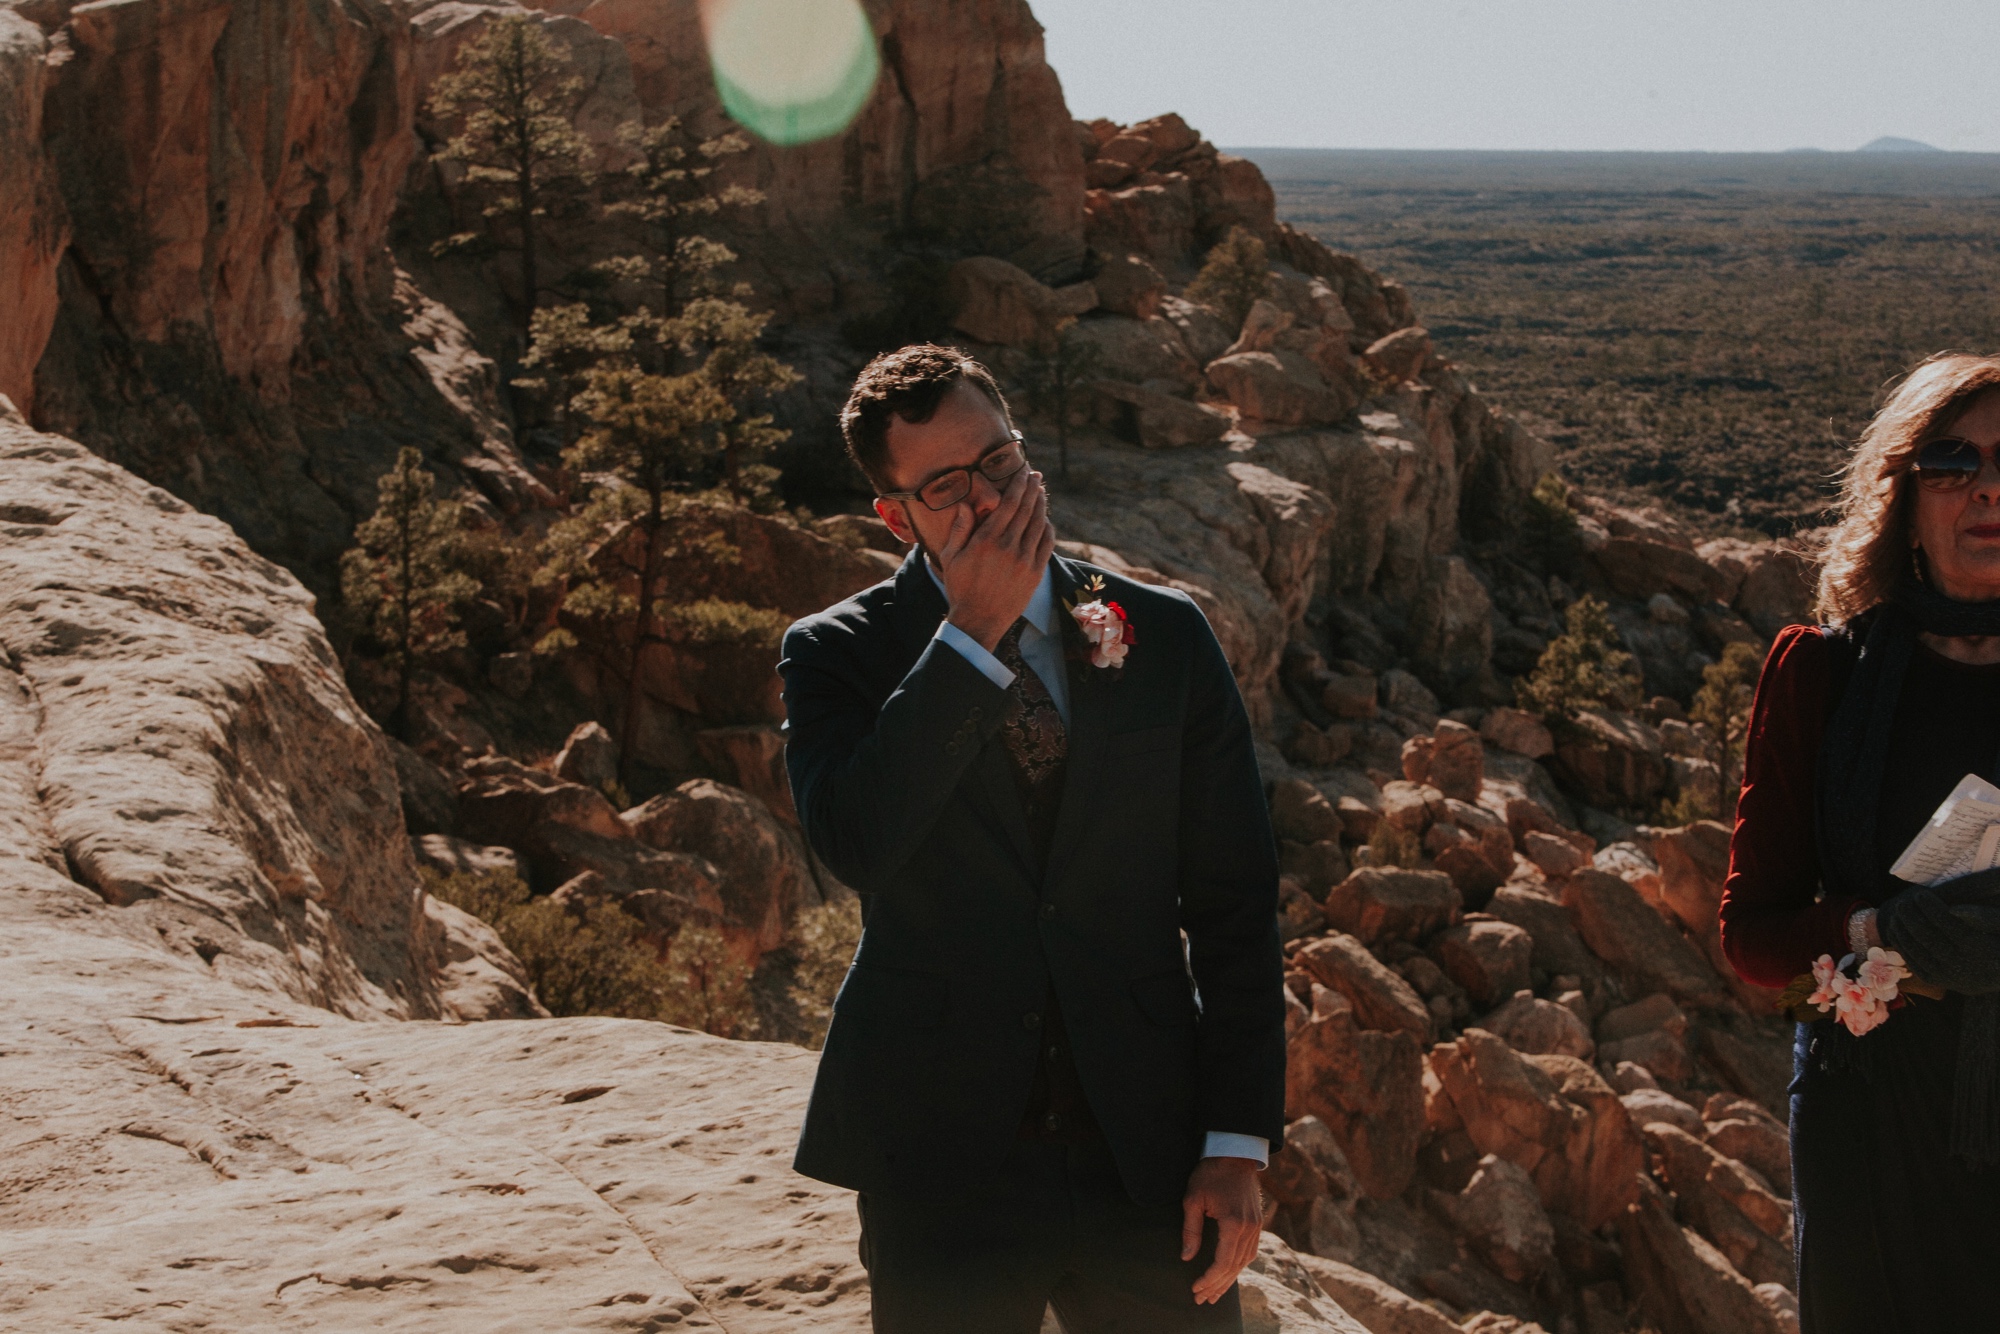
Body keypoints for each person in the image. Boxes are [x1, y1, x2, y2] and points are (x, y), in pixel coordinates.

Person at [779, 344, 1285, 1333]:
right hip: (937, 1158)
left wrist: (1235, 1140)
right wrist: (969, 634)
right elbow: (857, 844)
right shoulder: (836, 652)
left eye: (1000, 463)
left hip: (1146, 1151)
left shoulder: (1159, 635)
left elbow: (1232, 899)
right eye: (947, 486)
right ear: (896, 515)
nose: (990, 500)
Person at [1720, 352, 2000, 1332]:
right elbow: (1751, 937)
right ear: (1900, 493)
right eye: (1948, 460)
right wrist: (1879, 924)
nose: (1984, 487)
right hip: (1865, 1121)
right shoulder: (1822, 678)